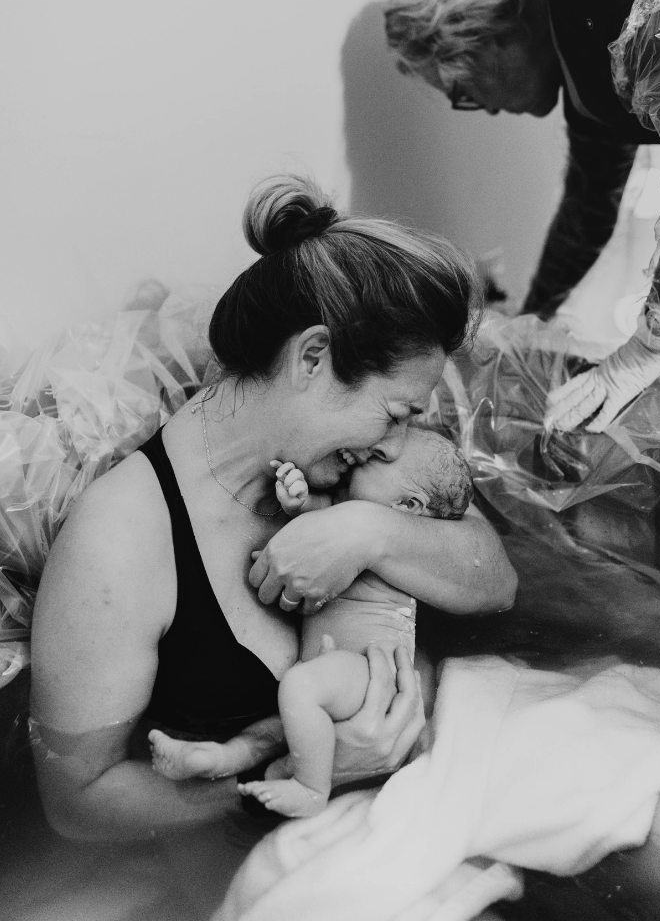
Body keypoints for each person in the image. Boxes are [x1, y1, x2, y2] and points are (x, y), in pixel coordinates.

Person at [29, 173, 516, 842]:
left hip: (425, 790)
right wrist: (305, 776)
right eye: (395, 414)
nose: (399, 442)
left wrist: (369, 530)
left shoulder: (355, 468)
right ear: (313, 357)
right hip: (250, 846)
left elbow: (496, 582)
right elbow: (75, 804)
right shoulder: (120, 541)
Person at [384, 0, 660, 435]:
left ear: (486, 24)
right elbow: (588, 211)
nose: (481, 110)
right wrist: (524, 320)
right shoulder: (591, 73)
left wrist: (649, 344)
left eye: (460, 89)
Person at [148, 426, 474, 818]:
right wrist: (298, 500)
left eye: (381, 459)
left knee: (299, 689)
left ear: (408, 506)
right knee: (280, 727)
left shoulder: (402, 548)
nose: (369, 451)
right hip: (341, 671)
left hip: (370, 673)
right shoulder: (347, 514)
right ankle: (218, 758)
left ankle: (311, 789)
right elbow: (319, 522)